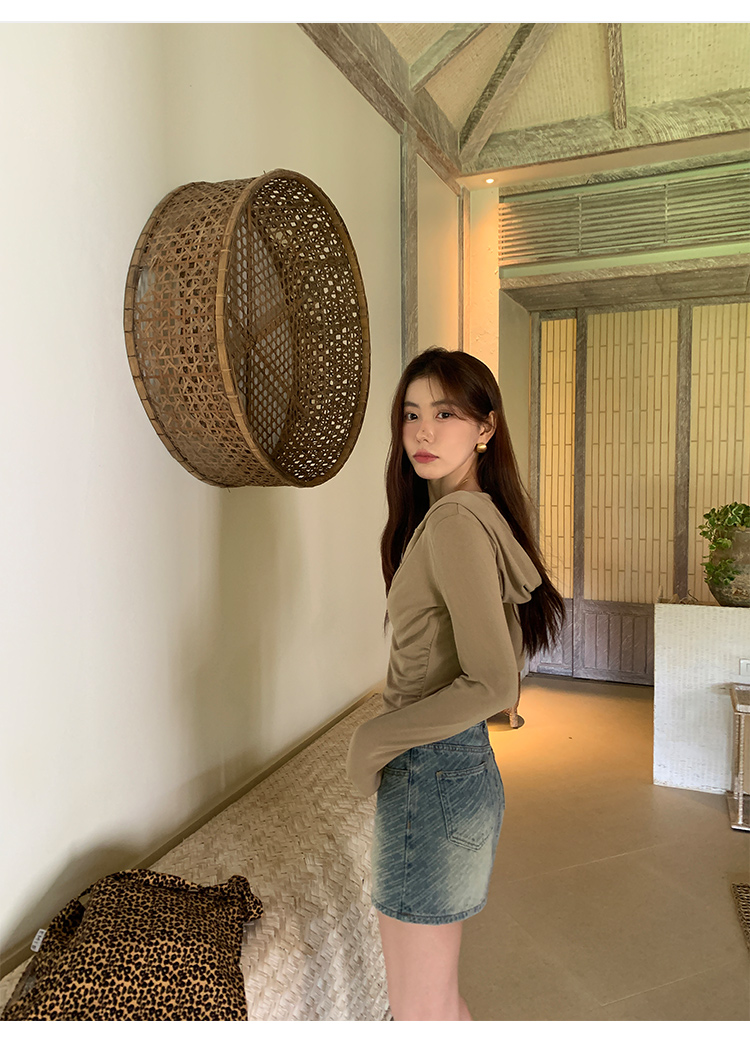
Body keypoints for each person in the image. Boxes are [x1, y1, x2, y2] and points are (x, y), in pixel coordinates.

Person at [346, 347, 565, 1022]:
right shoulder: (474, 512)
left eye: (445, 414)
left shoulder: (454, 524)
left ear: (484, 428)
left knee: (419, 1014)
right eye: (412, 414)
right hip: (454, 773)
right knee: (435, 1006)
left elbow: (494, 683)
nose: (423, 431)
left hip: (429, 778)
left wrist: (371, 741)